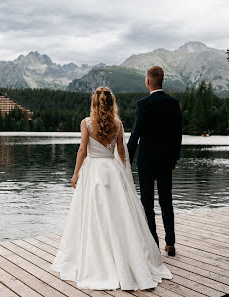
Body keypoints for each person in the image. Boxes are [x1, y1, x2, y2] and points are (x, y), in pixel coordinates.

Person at [51, 87, 172, 291]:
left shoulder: (86, 123)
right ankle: (123, 257)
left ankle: (97, 257)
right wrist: (124, 173)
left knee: (94, 214)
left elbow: (82, 149)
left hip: (93, 172)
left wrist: (75, 174)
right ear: (111, 103)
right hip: (111, 170)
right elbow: (122, 151)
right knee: (118, 216)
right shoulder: (117, 124)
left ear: (95, 104)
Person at [127, 66, 182, 256]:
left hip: (146, 162)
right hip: (166, 161)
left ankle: (154, 243)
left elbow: (135, 134)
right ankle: (171, 243)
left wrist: (126, 159)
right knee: (166, 202)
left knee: (147, 204)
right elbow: (177, 135)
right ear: (162, 80)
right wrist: (174, 158)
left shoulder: (143, 104)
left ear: (148, 81)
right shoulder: (173, 103)